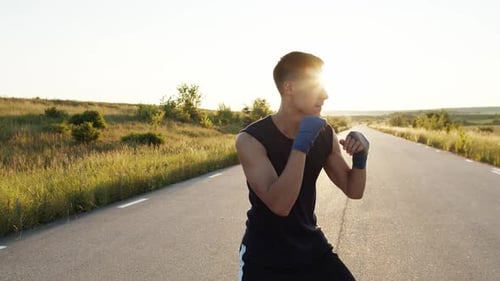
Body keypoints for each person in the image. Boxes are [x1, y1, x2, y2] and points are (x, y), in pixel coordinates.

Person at [235, 51, 369, 281]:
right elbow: (280, 205)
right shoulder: (251, 140)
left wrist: (361, 158)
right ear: (289, 88)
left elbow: (353, 190)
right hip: (265, 259)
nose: (325, 95)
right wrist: (301, 145)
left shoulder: (325, 134)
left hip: (311, 250)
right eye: (316, 86)